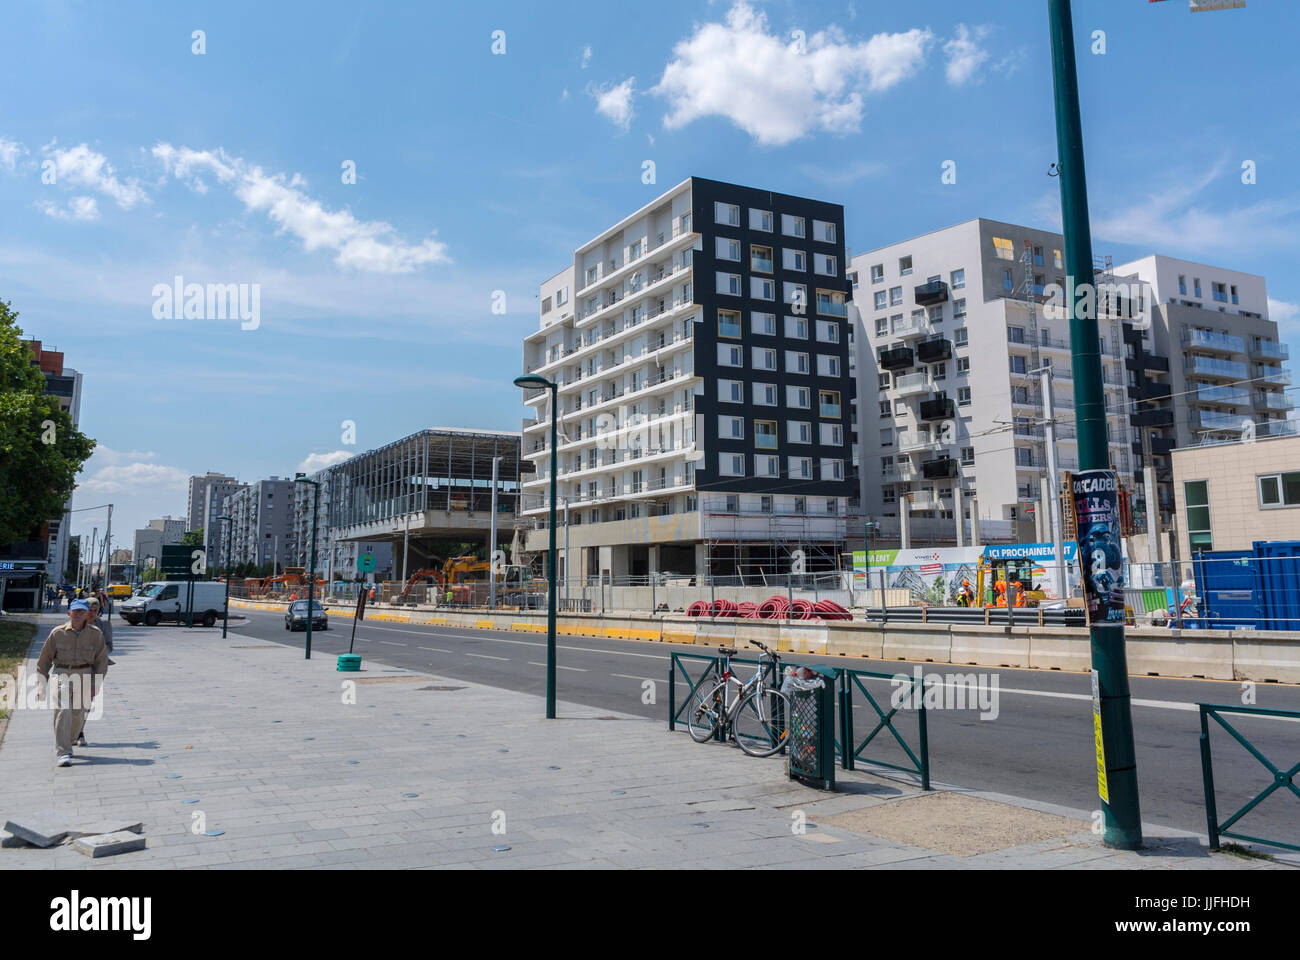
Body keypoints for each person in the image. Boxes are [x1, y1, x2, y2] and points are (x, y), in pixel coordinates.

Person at [35, 599, 108, 767]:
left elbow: (101, 662)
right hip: (61, 674)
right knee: (63, 710)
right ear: (69, 613)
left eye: (81, 612)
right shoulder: (57, 633)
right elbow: (43, 662)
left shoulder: (96, 634)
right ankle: (63, 751)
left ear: (87, 615)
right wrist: (41, 685)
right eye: (75, 612)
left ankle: (70, 739)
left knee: (78, 713)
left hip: (84, 675)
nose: (77, 615)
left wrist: (95, 685)